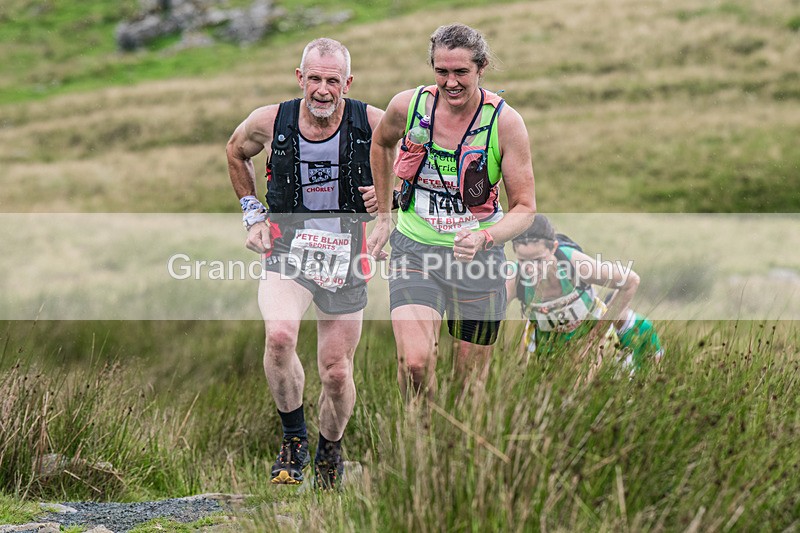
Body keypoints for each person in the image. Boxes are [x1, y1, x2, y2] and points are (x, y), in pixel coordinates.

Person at [225, 38, 383, 489]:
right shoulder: (269, 120)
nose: (322, 89)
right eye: (314, 78)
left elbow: (417, 159)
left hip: (347, 256)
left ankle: (329, 454)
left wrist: (390, 200)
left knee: (335, 371)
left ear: (347, 83)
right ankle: (293, 440)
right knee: (278, 337)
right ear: (300, 78)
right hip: (287, 249)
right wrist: (252, 213)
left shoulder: (370, 122)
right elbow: (236, 151)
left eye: (332, 81)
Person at [367, 24, 536, 398]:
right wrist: (384, 216)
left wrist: (483, 237)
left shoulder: (505, 123)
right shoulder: (407, 106)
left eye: (461, 72)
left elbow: (524, 208)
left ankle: (454, 449)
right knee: (414, 364)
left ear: (481, 67)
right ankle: (420, 438)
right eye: (441, 71)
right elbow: (380, 144)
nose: (451, 82)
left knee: (468, 385)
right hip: (414, 251)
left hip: (479, 261)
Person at [506, 214, 664, 374]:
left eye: (538, 260)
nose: (531, 269)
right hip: (545, 340)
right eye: (523, 260)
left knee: (585, 393)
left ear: (553, 248)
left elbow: (631, 281)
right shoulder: (514, 278)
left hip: (590, 332)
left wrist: (597, 335)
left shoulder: (575, 263)